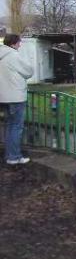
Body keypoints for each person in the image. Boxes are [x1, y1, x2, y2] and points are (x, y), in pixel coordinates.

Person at [0, 34, 33, 165]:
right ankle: (14, 157)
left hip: (3, 97)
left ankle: (9, 155)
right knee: (16, 127)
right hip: (15, 96)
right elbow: (28, 71)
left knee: (9, 127)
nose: (20, 45)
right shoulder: (14, 55)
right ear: (13, 43)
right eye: (19, 43)